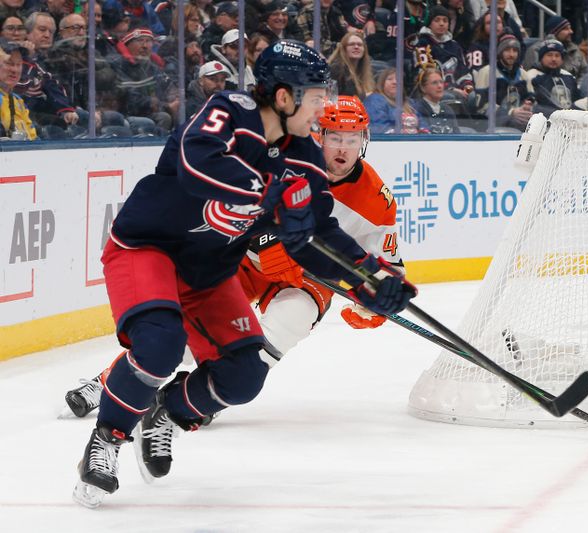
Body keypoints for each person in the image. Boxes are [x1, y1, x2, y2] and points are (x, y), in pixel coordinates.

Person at [70, 41, 416, 509]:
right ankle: (107, 439)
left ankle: (168, 411)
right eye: (316, 98)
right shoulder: (228, 112)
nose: (321, 111)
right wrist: (270, 190)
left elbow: (317, 235)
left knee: (244, 377)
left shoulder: (304, 158)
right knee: (161, 344)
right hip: (150, 248)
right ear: (284, 97)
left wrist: (369, 278)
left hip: (210, 270)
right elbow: (196, 163)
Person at [64, 95, 403, 421]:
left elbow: (385, 266)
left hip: (306, 281)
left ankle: (206, 395)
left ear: (364, 141)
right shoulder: (287, 158)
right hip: (246, 260)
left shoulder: (377, 199)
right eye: (335, 138)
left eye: (352, 139)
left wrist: (374, 300)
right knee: (188, 331)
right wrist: (265, 237)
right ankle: (108, 383)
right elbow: (227, 205)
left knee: (289, 322)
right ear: (319, 135)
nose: (343, 148)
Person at [523, 15, 587, 81]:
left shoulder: (574, 49)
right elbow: (531, 76)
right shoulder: (535, 50)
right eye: (566, 29)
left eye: (570, 28)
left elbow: (585, 73)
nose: (571, 31)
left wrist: (577, 86)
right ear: (554, 32)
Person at [528, 39, 580, 118]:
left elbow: (576, 101)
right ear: (541, 58)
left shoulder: (569, 77)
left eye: (557, 55)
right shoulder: (531, 76)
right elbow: (532, 105)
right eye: (549, 55)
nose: (553, 59)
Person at [364, 67, 426, 134]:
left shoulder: (410, 103)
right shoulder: (375, 100)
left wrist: (424, 132)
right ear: (382, 83)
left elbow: (423, 124)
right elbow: (379, 128)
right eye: (390, 79)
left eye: (398, 79)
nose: (395, 82)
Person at [0, 39, 37, 139]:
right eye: (9, 63)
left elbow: (33, 137)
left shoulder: (18, 101)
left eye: (19, 64)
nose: (15, 70)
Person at [411, 66, 460, 133]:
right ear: (423, 88)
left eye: (441, 82)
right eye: (434, 83)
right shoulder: (417, 109)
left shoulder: (448, 109)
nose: (440, 86)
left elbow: (456, 135)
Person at [327, 31, 375, 100]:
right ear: (344, 48)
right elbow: (331, 99)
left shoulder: (364, 71)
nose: (356, 47)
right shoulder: (336, 69)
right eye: (351, 44)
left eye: (360, 45)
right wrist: (364, 97)